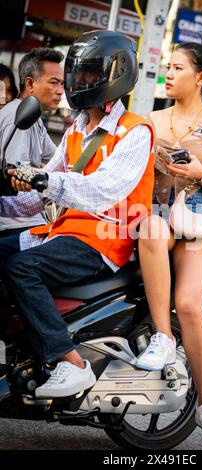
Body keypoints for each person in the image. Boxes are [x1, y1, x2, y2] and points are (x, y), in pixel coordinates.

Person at [0, 30, 154, 398]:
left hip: (104, 240)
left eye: (88, 74)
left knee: (21, 268)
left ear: (114, 77)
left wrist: (42, 181)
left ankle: (69, 361)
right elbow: (36, 198)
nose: (77, 82)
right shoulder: (77, 129)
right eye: (77, 73)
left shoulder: (135, 132)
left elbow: (103, 190)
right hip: (62, 231)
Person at [136, 42, 202, 444]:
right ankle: (163, 337)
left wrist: (201, 174)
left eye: (177, 67)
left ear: (201, 77)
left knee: (190, 303)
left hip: (200, 227)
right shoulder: (152, 120)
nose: (169, 73)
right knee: (150, 228)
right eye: (167, 67)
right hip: (160, 219)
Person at [0, 48, 64, 238]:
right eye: (53, 83)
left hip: (30, 219)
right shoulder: (17, 117)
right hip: (14, 223)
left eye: (61, 83)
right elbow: (19, 181)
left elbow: (60, 158)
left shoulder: (33, 118)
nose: (60, 91)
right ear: (30, 83)